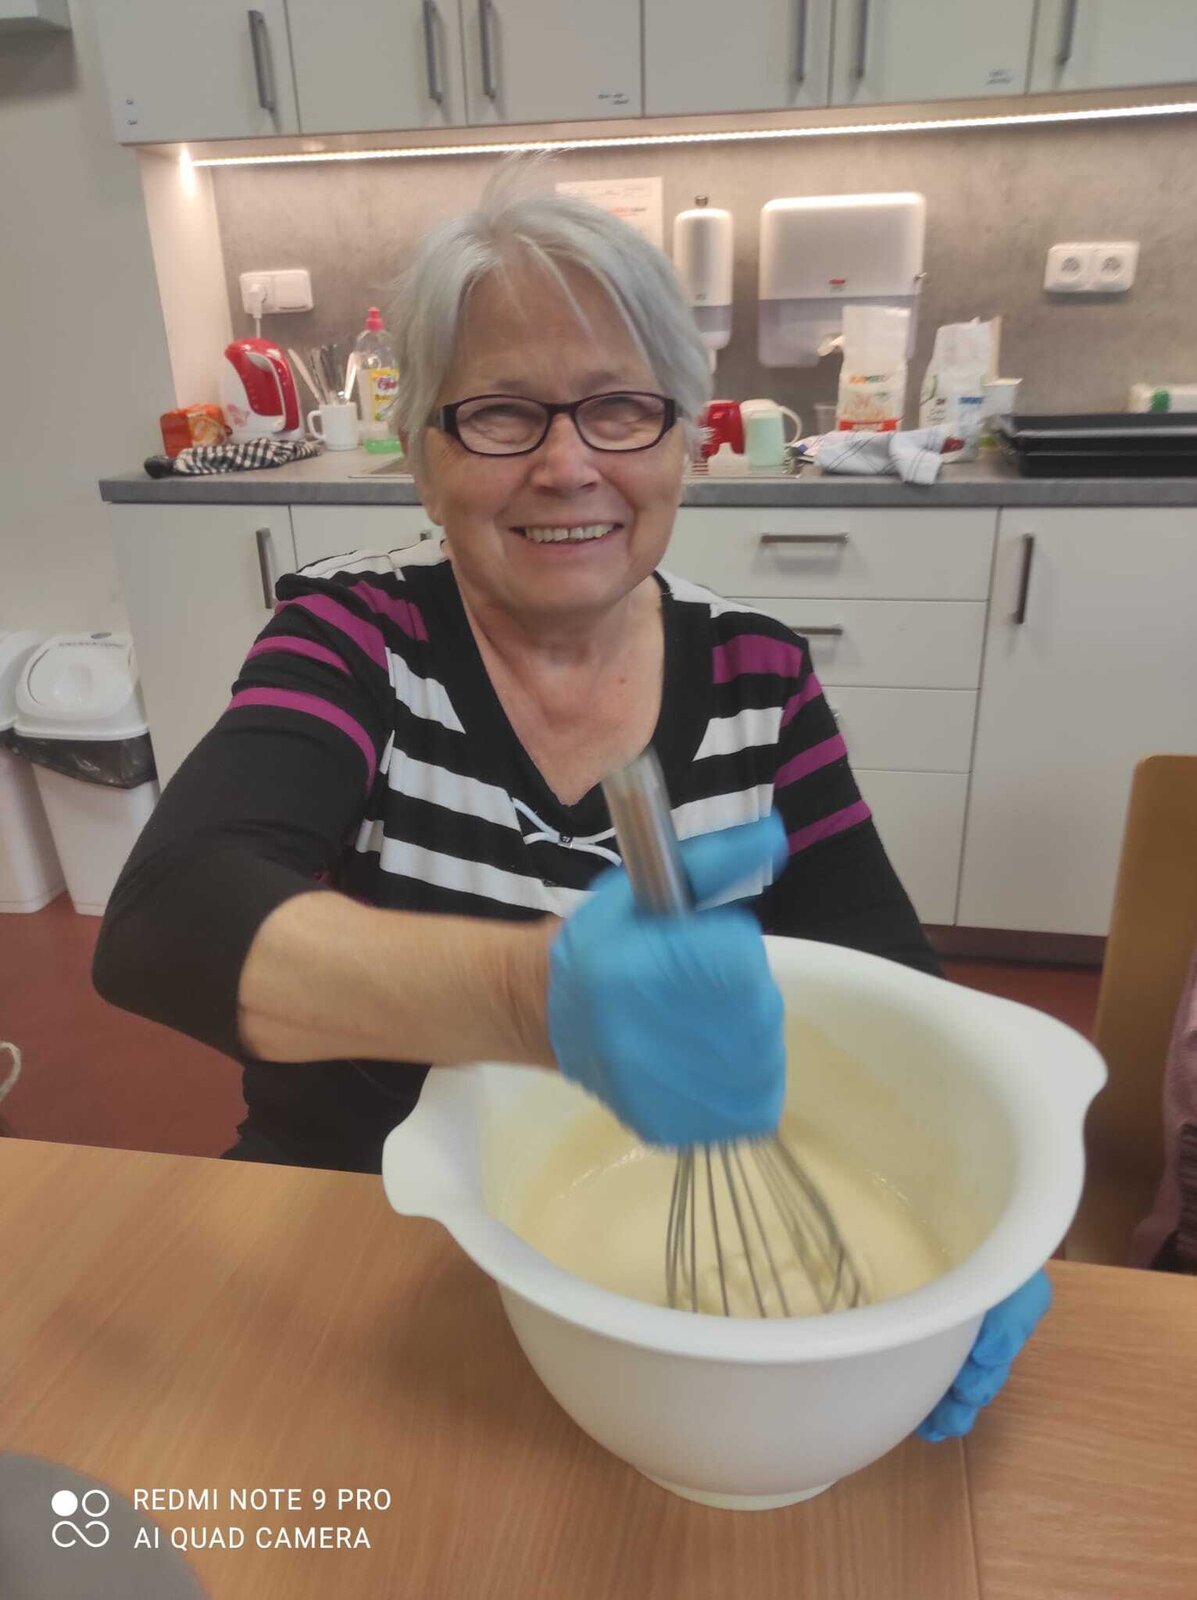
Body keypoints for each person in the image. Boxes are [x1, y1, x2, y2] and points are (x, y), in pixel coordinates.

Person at [93, 168, 1046, 1439]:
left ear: (683, 443)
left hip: (670, 1294)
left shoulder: (759, 673)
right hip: (355, 1228)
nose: (567, 465)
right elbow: (166, 921)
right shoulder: (355, 639)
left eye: (620, 408)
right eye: (499, 413)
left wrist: (989, 1221)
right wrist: (532, 999)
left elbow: (892, 977)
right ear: (423, 460)